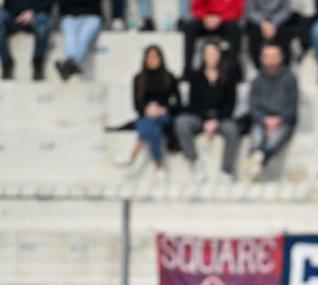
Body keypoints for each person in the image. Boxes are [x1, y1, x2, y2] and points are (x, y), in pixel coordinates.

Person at [174, 40, 241, 183]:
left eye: (214, 53)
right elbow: (192, 104)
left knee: (232, 129)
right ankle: (194, 160)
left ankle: (226, 170)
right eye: (208, 53)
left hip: (222, 119)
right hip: (199, 118)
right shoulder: (196, 77)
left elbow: (230, 104)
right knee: (181, 122)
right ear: (203, 56)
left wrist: (216, 120)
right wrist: (205, 120)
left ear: (219, 55)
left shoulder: (228, 77)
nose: (211, 56)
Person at [116, 45, 180, 179]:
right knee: (153, 129)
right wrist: (148, 109)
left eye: (155, 56)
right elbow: (136, 104)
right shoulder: (138, 78)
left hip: (165, 115)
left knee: (150, 122)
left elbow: (177, 101)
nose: (152, 59)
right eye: (150, 57)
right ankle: (159, 166)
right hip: (146, 115)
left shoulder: (169, 77)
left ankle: (133, 153)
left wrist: (163, 109)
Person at [245, 43, 298, 181]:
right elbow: (253, 105)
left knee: (275, 139)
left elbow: (292, 106)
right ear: (262, 59)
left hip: (283, 121)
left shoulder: (290, 78)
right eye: (268, 56)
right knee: (256, 135)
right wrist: (265, 120)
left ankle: (259, 159)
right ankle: (256, 158)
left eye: (275, 56)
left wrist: (278, 120)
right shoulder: (257, 80)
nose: (271, 60)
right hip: (262, 120)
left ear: (281, 57)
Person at [183, 0, 243, 77]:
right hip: (205, 19)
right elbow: (196, 7)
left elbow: (237, 10)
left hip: (225, 21)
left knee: (235, 29)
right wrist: (205, 17)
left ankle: (233, 69)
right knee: (190, 27)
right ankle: (188, 69)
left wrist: (220, 18)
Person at [0, 0, 51, 80]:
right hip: (14, 16)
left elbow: (47, 3)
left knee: (42, 21)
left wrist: (32, 12)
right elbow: (7, 5)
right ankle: (7, 62)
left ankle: (38, 63)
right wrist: (19, 14)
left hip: (36, 15)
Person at [245, 0, 300, 69]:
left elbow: (286, 11)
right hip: (258, 21)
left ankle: (286, 67)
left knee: (285, 31)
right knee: (253, 32)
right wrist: (263, 23)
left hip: (279, 21)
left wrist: (274, 24)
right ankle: (258, 68)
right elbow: (250, 11)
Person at [54, 0, 100, 80]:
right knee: (70, 38)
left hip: (92, 16)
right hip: (69, 16)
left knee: (84, 38)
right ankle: (72, 65)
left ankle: (69, 65)